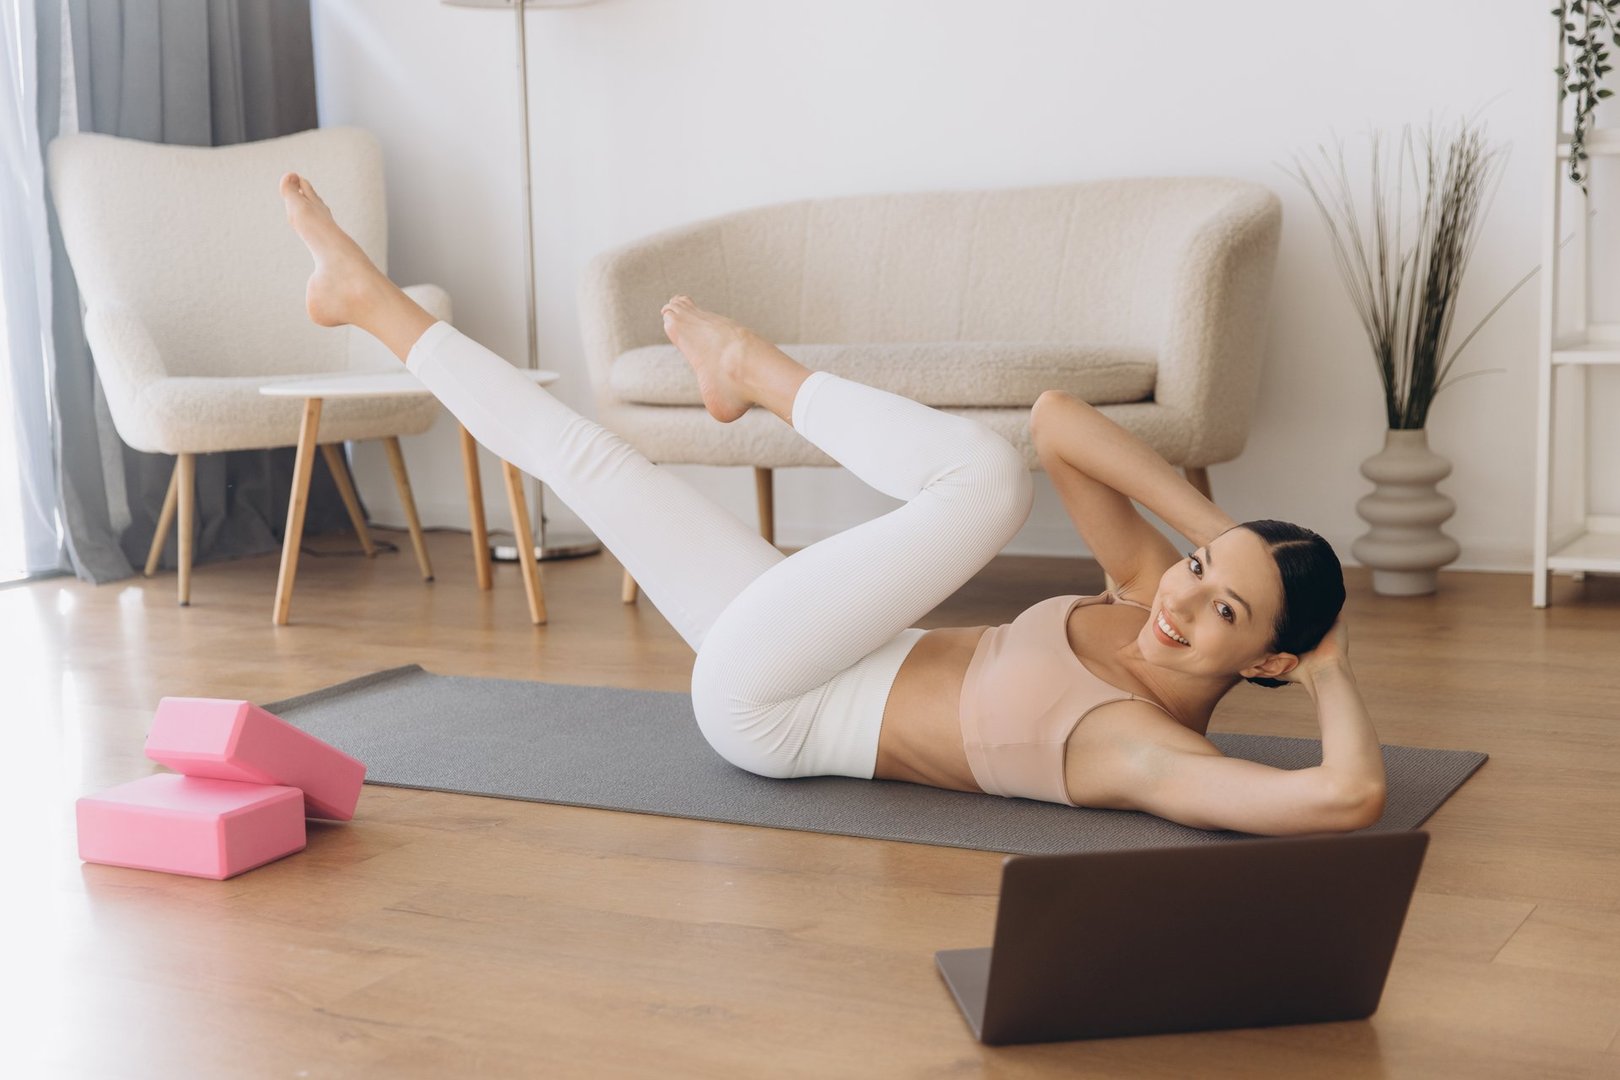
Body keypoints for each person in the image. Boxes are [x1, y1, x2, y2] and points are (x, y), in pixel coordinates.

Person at [280, 172, 1386, 836]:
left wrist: (1329, 667)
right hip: (823, 634)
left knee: (983, 483)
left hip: (780, 707)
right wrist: (1214, 537)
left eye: (1228, 618)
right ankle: (367, 301)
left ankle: (756, 372)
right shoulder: (1155, 592)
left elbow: (1344, 800)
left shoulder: (1147, 755)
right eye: (1200, 580)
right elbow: (1058, 419)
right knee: (598, 462)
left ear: (1268, 665)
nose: (1184, 608)